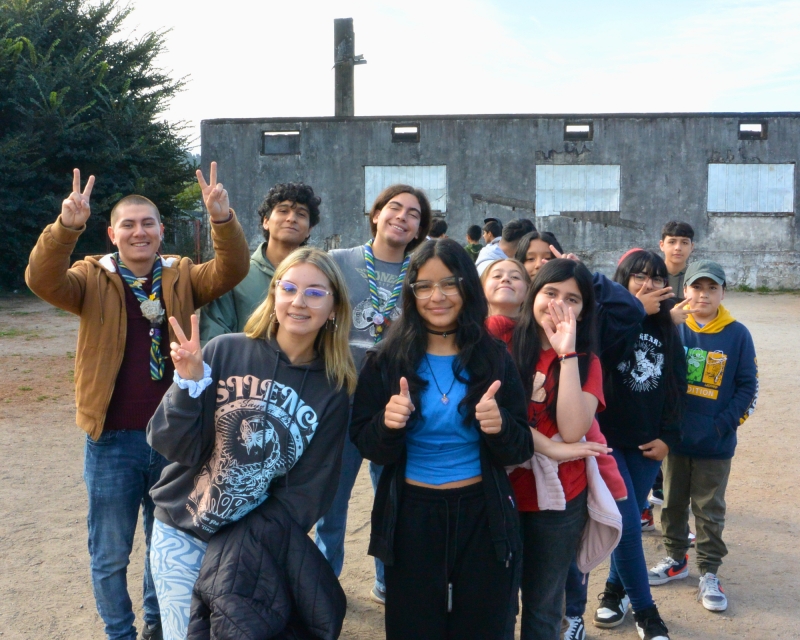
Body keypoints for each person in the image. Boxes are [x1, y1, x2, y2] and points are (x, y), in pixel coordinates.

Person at [24, 164, 250, 640]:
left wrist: (222, 219)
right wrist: (66, 226)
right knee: (109, 551)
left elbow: (233, 269)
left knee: (161, 542)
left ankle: (153, 625)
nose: (139, 231)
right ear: (112, 233)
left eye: (148, 223)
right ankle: (118, 632)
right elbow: (42, 280)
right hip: (112, 439)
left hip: (174, 436)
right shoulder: (90, 277)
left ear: (161, 230)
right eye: (128, 224)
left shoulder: (182, 274)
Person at [147, 247, 356, 639]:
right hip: (182, 528)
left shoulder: (333, 388)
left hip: (247, 549)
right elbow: (172, 445)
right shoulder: (224, 349)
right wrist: (189, 384)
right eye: (289, 288)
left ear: (334, 307)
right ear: (274, 293)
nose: (299, 301)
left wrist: (251, 541)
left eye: (315, 292)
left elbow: (310, 490)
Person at [350, 239, 532, 639]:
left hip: (483, 514)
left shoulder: (494, 357)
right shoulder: (386, 359)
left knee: (482, 626)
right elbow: (366, 443)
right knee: (414, 627)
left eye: (449, 284)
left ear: (467, 286)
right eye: (424, 286)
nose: (437, 296)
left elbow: (522, 447)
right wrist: (387, 424)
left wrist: (499, 425)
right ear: (411, 293)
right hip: (412, 515)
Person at [314, 184, 431, 604]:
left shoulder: (421, 273)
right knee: (333, 499)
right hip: (341, 400)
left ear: (420, 227)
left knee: (393, 495)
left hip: (396, 404)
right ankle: (326, 581)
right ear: (376, 214)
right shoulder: (338, 263)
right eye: (394, 208)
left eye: (413, 213)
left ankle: (387, 579)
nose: (402, 217)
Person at [586, 250, 686, 640]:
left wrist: (668, 438)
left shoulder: (667, 328)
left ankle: (614, 591)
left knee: (625, 527)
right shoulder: (606, 322)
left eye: (656, 278)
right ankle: (647, 613)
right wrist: (633, 310)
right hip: (609, 442)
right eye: (638, 277)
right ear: (622, 282)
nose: (648, 284)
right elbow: (603, 358)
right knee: (626, 522)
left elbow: (677, 386)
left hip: (648, 446)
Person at [649, 260, 758, 614]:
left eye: (712, 288)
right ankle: (675, 558)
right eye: (697, 288)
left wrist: (721, 425)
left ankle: (709, 571)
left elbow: (747, 387)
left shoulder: (737, 334)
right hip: (675, 440)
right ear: (686, 291)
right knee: (673, 503)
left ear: (723, 292)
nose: (704, 295)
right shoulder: (674, 328)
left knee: (709, 510)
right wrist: (666, 424)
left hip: (715, 443)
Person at [200, 182, 321, 344]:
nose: (291, 218)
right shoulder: (236, 275)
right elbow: (214, 338)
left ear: (309, 230)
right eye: (283, 211)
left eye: (301, 214)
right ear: (266, 221)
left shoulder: (320, 281)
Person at [659, 221, 695, 302]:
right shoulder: (652, 276)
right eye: (672, 242)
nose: (678, 248)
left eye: (684, 243)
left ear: (691, 247)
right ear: (662, 245)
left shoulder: (696, 278)